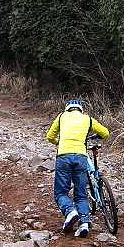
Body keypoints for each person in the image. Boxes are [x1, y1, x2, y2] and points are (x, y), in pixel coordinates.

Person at [45, 99, 111, 237]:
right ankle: (84, 223)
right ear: (80, 109)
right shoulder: (88, 119)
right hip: (81, 157)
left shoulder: (61, 116)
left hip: (64, 157)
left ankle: (70, 211)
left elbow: (50, 136)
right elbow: (105, 133)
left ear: (68, 108)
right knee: (81, 193)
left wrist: (60, 142)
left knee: (60, 192)